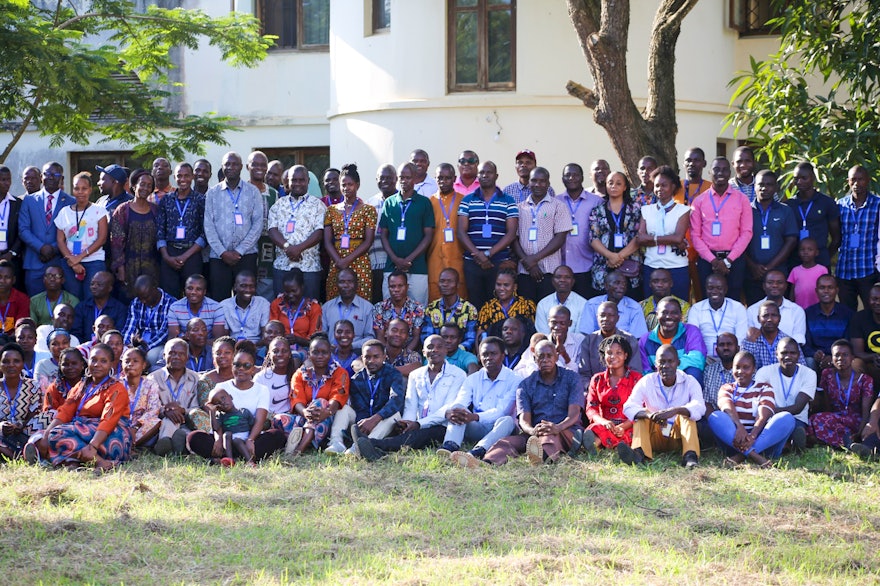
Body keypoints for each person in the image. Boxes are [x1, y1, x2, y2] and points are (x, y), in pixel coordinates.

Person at [356, 335, 466, 461]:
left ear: (446, 350)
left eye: (439, 347)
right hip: (417, 424)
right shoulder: (415, 374)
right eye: (430, 347)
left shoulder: (458, 375)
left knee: (418, 436)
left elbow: (448, 408)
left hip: (442, 425)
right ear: (424, 352)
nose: (434, 350)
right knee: (407, 433)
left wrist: (419, 424)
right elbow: (410, 404)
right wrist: (407, 423)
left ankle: (375, 444)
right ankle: (374, 448)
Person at [481, 340, 584, 466]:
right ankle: (487, 462)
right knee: (505, 442)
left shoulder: (572, 378)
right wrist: (532, 431)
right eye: (541, 356)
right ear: (535, 359)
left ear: (556, 356)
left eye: (549, 356)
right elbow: (524, 420)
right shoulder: (525, 385)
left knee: (549, 438)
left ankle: (541, 459)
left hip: (566, 430)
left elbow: (574, 414)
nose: (545, 360)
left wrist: (557, 427)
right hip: (535, 433)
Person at [187, 341, 286, 462]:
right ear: (232, 366)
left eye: (246, 366)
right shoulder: (221, 387)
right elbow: (218, 421)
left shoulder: (262, 389)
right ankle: (236, 457)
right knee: (194, 437)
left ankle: (226, 458)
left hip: (249, 438)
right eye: (237, 365)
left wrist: (250, 440)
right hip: (226, 440)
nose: (241, 369)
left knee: (277, 435)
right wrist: (218, 440)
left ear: (253, 369)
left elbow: (260, 421)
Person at [39, 343, 131, 470]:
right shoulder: (82, 385)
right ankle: (74, 462)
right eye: (93, 360)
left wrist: (92, 446)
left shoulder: (116, 388)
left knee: (57, 434)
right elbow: (65, 412)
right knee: (42, 436)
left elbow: (108, 420)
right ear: (88, 362)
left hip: (112, 436)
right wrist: (45, 436)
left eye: (103, 361)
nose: (97, 364)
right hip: (83, 431)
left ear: (111, 364)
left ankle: (98, 461)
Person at [619, 345, 705, 468]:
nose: (666, 366)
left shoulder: (689, 381)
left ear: (678, 363)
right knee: (640, 416)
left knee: (687, 414)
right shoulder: (647, 381)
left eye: (670, 361)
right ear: (656, 364)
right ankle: (639, 455)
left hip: (678, 437)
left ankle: (690, 458)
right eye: (662, 362)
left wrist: (676, 410)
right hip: (655, 435)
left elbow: (700, 406)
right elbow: (629, 406)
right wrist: (648, 414)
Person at [709, 350, 796, 468]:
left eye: (746, 367)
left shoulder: (764, 387)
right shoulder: (727, 388)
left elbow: (763, 415)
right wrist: (739, 427)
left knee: (787, 418)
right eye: (737, 367)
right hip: (733, 442)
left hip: (764, 443)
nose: (741, 372)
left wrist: (752, 436)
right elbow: (726, 406)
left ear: (754, 369)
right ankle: (754, 456)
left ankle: (741, 456)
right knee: (716, 416)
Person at [444, 336, 522, 467]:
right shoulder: (473, 378)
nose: (489, 358)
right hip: (476, 425)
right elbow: (461, 400)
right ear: (479, 357)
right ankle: (450, 446)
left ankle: (478, 451)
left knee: (507, 420)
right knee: (457, 407)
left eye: (493, 354)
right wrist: (456, 412)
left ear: (503, 356)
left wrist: (474, 416)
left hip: (499, 429)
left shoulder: (515, 379)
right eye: (485, 354)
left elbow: (503, 410)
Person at [457, 161, 519, 312]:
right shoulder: (467, 200)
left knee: (498, 304)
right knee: (475, 303)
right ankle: (479, 334)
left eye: (489, 172)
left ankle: (495, 335)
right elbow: (460, 231)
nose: (485, 175)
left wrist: (488, 254)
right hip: (473, 263)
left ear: (496, 175)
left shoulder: (508, 201)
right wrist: (478, 255)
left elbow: (511, 233)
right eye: (482, 173)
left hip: (498, 263)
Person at [324, 338, 404, 454]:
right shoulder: (357, 379)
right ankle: (337, 443)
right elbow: (360, 408)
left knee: (394, 415)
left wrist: (375, 419)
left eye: (376, 357)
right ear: (362, 358)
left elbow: (396, 401)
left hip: (384, 421)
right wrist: (364, 425)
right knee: (344, 409)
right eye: (367, 357)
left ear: (384, 357)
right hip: (364, 422)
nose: (371, 361)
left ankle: (363, 445)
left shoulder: (393, 374)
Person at [690, 157, 753, 302]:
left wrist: (728, 261)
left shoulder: (742, 199)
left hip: (734, 259)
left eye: (725, 170)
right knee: (708, 300)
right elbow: (695, 235)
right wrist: (713, 261)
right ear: (709, 172)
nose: (721, 173)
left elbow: (746, 232)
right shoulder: (699, 201)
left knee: (734, 299)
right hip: (707, 260)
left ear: (730, 172)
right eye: (716, 169)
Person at [204, 152, 264, 301]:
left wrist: (239, 251)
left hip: (246, 256)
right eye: (227, 164)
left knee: (246, 299)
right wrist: (222, 252)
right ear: (222, 167)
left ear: (241, 167)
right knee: (219, 299)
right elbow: (208, 225)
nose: (231, 167)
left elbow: (258, 224)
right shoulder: (212, 193)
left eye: (235, 164)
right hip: (219, 257)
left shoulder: (253, 192)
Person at [284, 334, 350, 457]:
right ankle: (307, 438)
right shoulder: (300, 374)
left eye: (324, 352)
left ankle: (299, 449)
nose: (320, 356)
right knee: (279, 419)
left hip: (328, 417)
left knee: (320, 402)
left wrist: (327, 411)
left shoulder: (340, 373)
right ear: (309, 354)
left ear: (330, 353)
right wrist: (305, 412)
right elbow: (296, 397)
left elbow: (337, 397)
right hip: (305, 416)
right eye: (315, 352)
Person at [378, 162, 435, 305]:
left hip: (417, 267)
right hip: (392, 266)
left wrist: (409, 259)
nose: (404, 181)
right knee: (389, 309)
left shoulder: (424, 203)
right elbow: (383, 234)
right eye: (401, 177)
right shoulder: (389, 202)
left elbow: (428, 235)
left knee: (418, 309)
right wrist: (395, 259)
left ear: (415, 178)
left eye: (408, 177)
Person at [268, 165, 326, 300]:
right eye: (294, 180)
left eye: (301, 180)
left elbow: (319, 232)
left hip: (309, 267)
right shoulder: (278, 204)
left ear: (308, 181)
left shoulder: (318, 205)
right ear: (287, 181)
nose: (297, 183)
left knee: (310, 309)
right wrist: (288, 247)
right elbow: (272, 230)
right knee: (281, 309)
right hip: (283, 265)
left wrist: (299, 248)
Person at [513, 167, 571, 301]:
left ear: (548, 184)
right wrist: (528, 262)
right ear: (529, 183)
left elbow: (560, 238)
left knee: (547, 312)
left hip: (549, 271)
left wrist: (534, 259)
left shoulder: (558, 206)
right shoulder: (519, 208)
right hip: (524, 271)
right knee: (526, 312)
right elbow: (514, 239)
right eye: (534, 180)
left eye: (542, 181)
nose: (538, 184)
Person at [18, 161, 74, 296]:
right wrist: (41, 248)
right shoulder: (29, 200)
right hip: (34, 262)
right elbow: (23, 229)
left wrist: (53, 249)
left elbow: (72, 232)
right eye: (47, 174)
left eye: (55, 174)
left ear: (62, 178)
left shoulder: (70, 202)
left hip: (59, 261)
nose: (51, 177)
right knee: (34, 306)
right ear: (42, 177)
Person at [323, 163, 376, 301]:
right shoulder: (331, 210)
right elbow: (327, 241)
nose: (346, 188)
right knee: (335, 300)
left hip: (359, 261)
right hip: (337, 261)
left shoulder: (368, 210)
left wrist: (347, 260)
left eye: (350, 184)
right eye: (343, 185)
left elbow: (368, 241)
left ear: (357, 185)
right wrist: (339, 261)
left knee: (361, 300)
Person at [636, 166, 690, 300]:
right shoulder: (646, 210)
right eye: (657, 185)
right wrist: (669, 239)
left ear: (673, 186)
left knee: (679, 307)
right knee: (651, 308)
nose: (660, 189)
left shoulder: (683, 210)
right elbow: (640, 239)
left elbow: (678, 238)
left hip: (676, 267)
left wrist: (652, 239)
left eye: (664, 185)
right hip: (652, 265)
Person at [744, 169, 798, 304]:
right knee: (754, 314)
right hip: (752, 274)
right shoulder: (745, 210)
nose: (764, 188)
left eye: (769, 185)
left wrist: (770, 267)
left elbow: (791, 241)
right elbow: (738, 241)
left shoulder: (785, 210)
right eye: (760, 184)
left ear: (775, 187)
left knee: (779, 313)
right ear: (754, 186)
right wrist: (753, 266)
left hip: (778, 274)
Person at [755, 337, 817, 452]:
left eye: (792, 353)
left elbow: (798, 408)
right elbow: (758, 402)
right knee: (767, 426)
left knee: (794, 427)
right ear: (776, 354)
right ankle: (787, 444)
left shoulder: (809, 374)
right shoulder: (764, 372)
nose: (788, 356)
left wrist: (770, 411)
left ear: (798, 355)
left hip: (796, 418)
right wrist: (768, 414)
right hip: (770, 419)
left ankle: (788, 443)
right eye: (784, 353)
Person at [25, 347, 85, 462]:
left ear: (82, 365)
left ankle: (46, 455)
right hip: (57, 425)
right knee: (48, 419)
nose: (70, 367)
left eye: (74, 363)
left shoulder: (89, 385)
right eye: (65, 364)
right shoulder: (54, 387)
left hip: (81, 424)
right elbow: (48, 413)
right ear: (60, 367)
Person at [811, 339, 873, 450]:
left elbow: (866, 411)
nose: (840, 358)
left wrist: (860, 432)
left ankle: (849, 441)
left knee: (818, 421)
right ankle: (846, 443)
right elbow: (826, 404)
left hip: (856, 421)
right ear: (832, 358)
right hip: (835, 419)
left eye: (845, 355)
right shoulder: (827, 374)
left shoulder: (865, 380)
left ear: (852, 357)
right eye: (837, 355)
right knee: (815, 419)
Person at [156, 163, 206, 298]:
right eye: (179, 176)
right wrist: (166, 257)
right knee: (168, 295)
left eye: (186, 176)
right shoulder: (166, 199)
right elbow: (160, 230)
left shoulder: (201, 200)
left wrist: (185, 256)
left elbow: (204, 232)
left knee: (193, 295)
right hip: (169, 253)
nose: (182, 179)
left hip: (192, 254)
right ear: (174, 177)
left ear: (192, 177)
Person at [56, 171, 108, 300]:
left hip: (94, 261)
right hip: (70, 263)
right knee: (73, 300)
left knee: (92, 299)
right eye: (76, 188)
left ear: (90, 190)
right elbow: (60, 240)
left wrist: (79, 257)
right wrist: (72, 261)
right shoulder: (64, 212)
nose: (80, 192)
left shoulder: (99, 211)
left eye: (84, 188)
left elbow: (102, 239)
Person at [109, 168, 160, 300]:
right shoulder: (122, 210)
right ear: (134, 186)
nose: (145, 188)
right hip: (129, 267)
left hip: (152, 267)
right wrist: (120, 268)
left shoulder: (156, 210)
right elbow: (116, 242)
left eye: (149, 186)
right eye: (142, 184)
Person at [584, 335, 641, 452]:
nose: (613, 356)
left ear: (626, 355)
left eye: (618, 353)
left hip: (628, 426)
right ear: (604, 356)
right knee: (595, 429)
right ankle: (593, 445)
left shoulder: (636, 379)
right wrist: (603, 422)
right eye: (609, 353)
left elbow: (641, 409)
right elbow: (591, 408)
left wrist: (623, 426)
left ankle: (598, 446)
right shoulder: (597, 379)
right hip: (604, 424)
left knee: (633, 433)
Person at [589, 171, 642, 296]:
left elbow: (639, 236)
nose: (614, 186)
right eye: (610, 183)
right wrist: (610, 256)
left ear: (625, 187)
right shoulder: (597, 210)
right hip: (604, 264)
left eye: (618, 183)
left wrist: (619, 257)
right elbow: (593, 238)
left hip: (630, 264)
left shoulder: (635, 208)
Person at [834, 165, 880, 308]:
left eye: (860, 179)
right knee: (847, 314)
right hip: (844, 271)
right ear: (848, 181)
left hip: (868, 270)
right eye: (853, 180)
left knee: (872, 313)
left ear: (867, 181)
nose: (856, 184)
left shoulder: (878, 205)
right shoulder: (840, 205)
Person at [558, 163, 604, 300]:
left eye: (575, 174)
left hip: (587, 266)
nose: (571, 178)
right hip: (561, 267)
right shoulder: (556, 201)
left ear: (582, 177)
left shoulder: (597, 202)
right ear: (562, 179)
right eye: (567, 175)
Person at [783, 162, 840, 269]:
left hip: (820, 260)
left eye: (804, 178)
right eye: (796, 178)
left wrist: (825, 255)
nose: (799, 182)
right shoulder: (788, 205)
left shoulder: (826, 202)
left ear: (813, 177)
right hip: (794, 261)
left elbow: (836, 237)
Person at [148, 338, 199, 455]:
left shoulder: (195, 378)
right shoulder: (153, 378)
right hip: (162, 422)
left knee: (185, 432)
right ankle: (166, 445)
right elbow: (151, 407)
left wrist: (182, 410)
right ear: (164, 355)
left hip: (187, 421)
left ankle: (173, 447)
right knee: (168, 420)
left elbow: (197, 408)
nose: (176, 357)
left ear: (187, 357)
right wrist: (165, 411)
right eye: (172, 353)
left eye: (181, 354)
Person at [639, 297, 706, 385]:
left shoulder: (691, 331)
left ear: (681, 315)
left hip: (684, 382)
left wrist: (668, 370)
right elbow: (645, 372)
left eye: (674, 313)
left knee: (694, 372)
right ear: (657, 315)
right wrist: (664, 375)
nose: (669, 317)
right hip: (657, 385)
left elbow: (698, 359)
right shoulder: (644, 340)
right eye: (664, 312)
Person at [426, 163, 467, 302]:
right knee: (435, 301)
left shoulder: (463, 201)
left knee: (459, 301)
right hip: (434, 261)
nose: (443, 181)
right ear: (435, 178)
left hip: (457, 260)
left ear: (454, 178)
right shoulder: (430, 202)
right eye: (440, 178)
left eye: (447, 178)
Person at [578, 301, 643, 383]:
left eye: (610, 315)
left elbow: (635, 372)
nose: (605, 319)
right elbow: (584, 374)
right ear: (597, 317)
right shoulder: (589, 340)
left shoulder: (629, 340)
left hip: (625, 389)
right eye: (602, 315)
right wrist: (591, 388)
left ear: (617, 318)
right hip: (595, 389)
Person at [686, 274, 748, 360]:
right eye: (710, 288)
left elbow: (741, 339)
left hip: (731, 358)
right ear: (706, 289)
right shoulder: (696, 309)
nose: (714, 291)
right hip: (705, 358)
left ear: (725, 289)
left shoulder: (737, 308)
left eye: (719, 288)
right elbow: (693, 338)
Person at [121, 275, 176, 366]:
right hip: (137, 343)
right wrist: (125, 345)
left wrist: (143, 348)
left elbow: (163, 334)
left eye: (146, 297)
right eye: (140, 298)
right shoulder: (136, 302)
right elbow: (130, 326)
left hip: (157, 344)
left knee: (150, 357)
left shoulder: (171, 303)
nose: (143, 301)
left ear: (155, 288)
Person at [0, 343, 42, 460]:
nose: (11, 365)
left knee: (51, 415)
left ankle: (22, 450)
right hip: (1, 434)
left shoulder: (32, 385)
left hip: (25, 431)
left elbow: (35, 413)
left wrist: (21, 424)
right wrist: (1, 425)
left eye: (16, 361)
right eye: (6, 361)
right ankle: (17, 456)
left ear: (22, 364)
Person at [579, 271, 648, 339]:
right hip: (595, 346)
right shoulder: (592, 304)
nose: (622, 286)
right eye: (617, 283)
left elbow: (636, 338)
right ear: (606, 286)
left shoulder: (634, 307)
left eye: (624, 283)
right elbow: (586, 334)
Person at [804, 275, 853, 371]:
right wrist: (814, 354)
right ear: (816, 291)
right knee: (808, 361)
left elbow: (849, 342)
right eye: (822, 288)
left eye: (830, 287)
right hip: (816, 358)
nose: (826, 291)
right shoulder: (808, 314)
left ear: (837, 290)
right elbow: (805, 344)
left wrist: (834, 356)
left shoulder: (848, 314)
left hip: (840, 357)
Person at [422, 267, 477, 351]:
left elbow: (471, 339)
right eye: (442, 281)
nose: (445, 284)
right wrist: (438, 350)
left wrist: (455, 351)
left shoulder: (469, 309)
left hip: (460, 354)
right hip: (435, 353)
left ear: (458, 284)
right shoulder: (431, 308)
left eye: (449, 281)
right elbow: (426, 336)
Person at [746, 270, 807, 345]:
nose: (775, 285)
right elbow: (751, 339)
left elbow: (799, 340)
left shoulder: (797, 311)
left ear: (785, 286)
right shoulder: (752, 310)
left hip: (788, 354)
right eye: (770, 282)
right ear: (764, 286)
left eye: (779, 282)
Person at [371, 271, 425, 352]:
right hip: (386, 352)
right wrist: (387, 355)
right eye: (392, 286)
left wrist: (405, 355)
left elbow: (416, 337)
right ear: (388, 288)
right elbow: (380, 336)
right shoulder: (379, 308)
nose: (396, 290)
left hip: (409, 351)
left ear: (407, 287)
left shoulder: (418, 308)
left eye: (400, 286)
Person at [321, 268, 374, 351]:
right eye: (342, 282)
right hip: (330, 354)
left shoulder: (367, 308)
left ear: (356, 284)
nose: (346, 285)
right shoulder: (326, 308)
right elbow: (321, 336)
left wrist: (350, 346)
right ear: (337, 285)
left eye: (350, 281)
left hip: (357, 353)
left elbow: (370, 337)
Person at [476, 267, 536, 340]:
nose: (501, 288)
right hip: (495, 348)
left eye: (506, 285)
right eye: (498, 284)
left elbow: (534, 332)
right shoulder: (488, 307)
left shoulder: (527, 305)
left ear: (515, 287)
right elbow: (480, 334)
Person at [269, 269, 322, 350]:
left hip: (305, 348)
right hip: (279, 347)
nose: (290, 295)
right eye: (287, 291)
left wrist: (298, 340)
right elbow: (272, 332)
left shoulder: (314, 308)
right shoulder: (277, 304)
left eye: (294, 291)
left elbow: (315, 340)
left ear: (302, 287)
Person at [191, 336, 236, 432]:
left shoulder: (242, 376)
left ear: (234, 355)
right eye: (218, 353)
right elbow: (207, 407)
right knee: (195, 414)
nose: (222, 356)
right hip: (218, 422)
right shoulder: (205, 380)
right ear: (213, 356)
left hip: (242, 417)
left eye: (227, 353)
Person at [742, 302, 805, 370]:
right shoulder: (750, 341)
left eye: (774, 315)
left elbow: (802, 368)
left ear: (779, 318)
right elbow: (745, 369)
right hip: (758, 380)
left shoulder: (789, 342)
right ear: (758, 319)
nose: (770, 319)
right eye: (765, 316)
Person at [367, 164, 398, 303]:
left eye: (389, 178)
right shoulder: (369, 204)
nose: (385, 181)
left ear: (396, 179)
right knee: (378, 302)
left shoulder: (402, 201)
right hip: (375, 263)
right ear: (376, 180)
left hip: (397, 262)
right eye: (382, 178)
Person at [120, 347, 161, 448]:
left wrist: (136, 427)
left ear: (143, 365)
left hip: (140, 425)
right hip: (120, 424)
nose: (130, 364)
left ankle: (129, 446)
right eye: (127, 361)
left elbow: (153, 410)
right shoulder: (117, 384)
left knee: (155, 422)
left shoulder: (151, 384)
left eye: (135, 361)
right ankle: (123, 444)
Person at [70, 271, 127, 343]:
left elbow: (119, 333)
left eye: (99, 284)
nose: (94, 287)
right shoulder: (81, 307)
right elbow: (76, 333)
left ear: (109, 288)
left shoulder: (120, 309)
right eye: (92, 284)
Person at [205, 387, 256, 465]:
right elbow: (215, 428)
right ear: (217, 408)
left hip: (244, 439)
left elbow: (253, 425)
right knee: (226, 434)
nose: (223, 402)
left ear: (231, 397)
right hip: (229, 443)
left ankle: (250, 461)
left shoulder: (243, 411)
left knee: (237, 441)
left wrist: (251, 440)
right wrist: (212, 412)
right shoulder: (221, 416)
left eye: (223, 398)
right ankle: (230, 460)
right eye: (218, 403)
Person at [166, 274, 224, 340]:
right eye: (190, 288)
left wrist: (197, 343)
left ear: (204, 292)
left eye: (198, 289)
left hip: (209, 347)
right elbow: (172, 338)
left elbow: (218, 340)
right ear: (184, 290)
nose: (193, 292)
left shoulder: (216, 308)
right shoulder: (174, 308)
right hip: (184, 346)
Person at [219, 271, 270, 343]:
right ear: (235, 287)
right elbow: (224, 338)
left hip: (257, 347)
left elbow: (265, 335)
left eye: (251, 286)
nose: (248, 290)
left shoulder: (263, 304)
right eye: (243, 286)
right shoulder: (224, 306)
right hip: (233, 347)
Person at [535, 265, 588, 336]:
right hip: (548, 345)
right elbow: (543, 334)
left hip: (575, 345)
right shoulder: (543, 304)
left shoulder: (583, 303)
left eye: (567, 277)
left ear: (573, 281)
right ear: (553, 281)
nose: (562, 280)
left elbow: (579, 335)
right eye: (558, 277)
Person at [849, 284, 880, 394]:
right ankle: (861, 400)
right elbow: (857, 352)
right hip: (869, 362)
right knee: (855, 363)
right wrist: (873, 357)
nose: (878, 303)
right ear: (868, 300)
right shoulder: (860, 318)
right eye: (874, 299)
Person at [701, 332, 739, 418]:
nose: (725, 348)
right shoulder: (709, 371)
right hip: (717, 420)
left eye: (729, 344)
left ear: (738, 348)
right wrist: (718, 421)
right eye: (722, 345)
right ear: (717, 350)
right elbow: (706, 402)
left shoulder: (747, 371)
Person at [788, 238, 828, 310]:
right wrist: (791, 305)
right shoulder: (795, 270)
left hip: (818, 308)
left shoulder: (822, 270)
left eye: (810, 249)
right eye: (802, 250)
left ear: (816, 252)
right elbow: (792, 290)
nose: (805, 252)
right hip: (799, 308)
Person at [547, 305, 584, 378]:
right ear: (548, 322)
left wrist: (565, 355)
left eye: (562, 323)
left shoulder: (579, 341)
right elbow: (522, 369)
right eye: (554, 322)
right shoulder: (541, 341)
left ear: (570, 323)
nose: (557, 327)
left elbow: (579, 373)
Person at [0, 166, 23, 270]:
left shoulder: (17, 203)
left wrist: (12, 253)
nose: (7, 183)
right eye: (3, 180)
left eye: (9, 179)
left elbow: (22, 231)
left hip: (11, 258)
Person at [34, 329, 70, 394]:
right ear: (49, 347)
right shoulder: (43, 365)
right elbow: (43, 391)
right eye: (55, 344)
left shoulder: (79, 362)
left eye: (64, 343)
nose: (61, 347)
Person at [0, 260, 29, 334]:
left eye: (7, 277)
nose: (2, 281)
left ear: (13, 280)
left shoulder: (23, 299)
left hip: (13, 341)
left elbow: (21, 328)